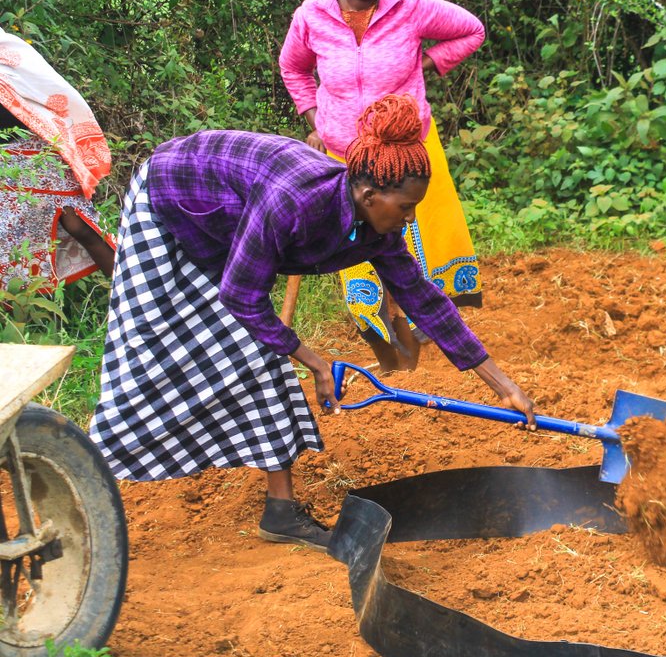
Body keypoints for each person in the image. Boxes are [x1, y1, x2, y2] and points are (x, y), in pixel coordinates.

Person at [88, 94, 535, 551]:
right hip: (170, 198)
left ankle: (280, 513)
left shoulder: (378, 231)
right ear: (368, 195)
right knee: (150, 348)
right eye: (405, 207)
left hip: (228, 218)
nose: (410, 217)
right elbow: (242, 297)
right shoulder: (292, 202)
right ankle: (83, 481)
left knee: (261, 352)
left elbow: (424, 299)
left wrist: (503, 386)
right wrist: (316, 363)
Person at [279, 0, 485, 373]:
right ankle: (385, 339)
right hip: (345, 153)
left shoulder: (411, 7)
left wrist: (424, 64)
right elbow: (294, 68)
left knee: (414, 238)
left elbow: (472, 30)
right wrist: (315, 118)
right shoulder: (311, 17)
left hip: (404, 151)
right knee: (357, 244)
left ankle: (430, 333)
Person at [0, 27, 115, 289]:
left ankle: (140, 300)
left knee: (79, 224)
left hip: (41, 153)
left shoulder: (7, 50)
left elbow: (55, 94)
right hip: (5, 165)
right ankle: (22, 318)